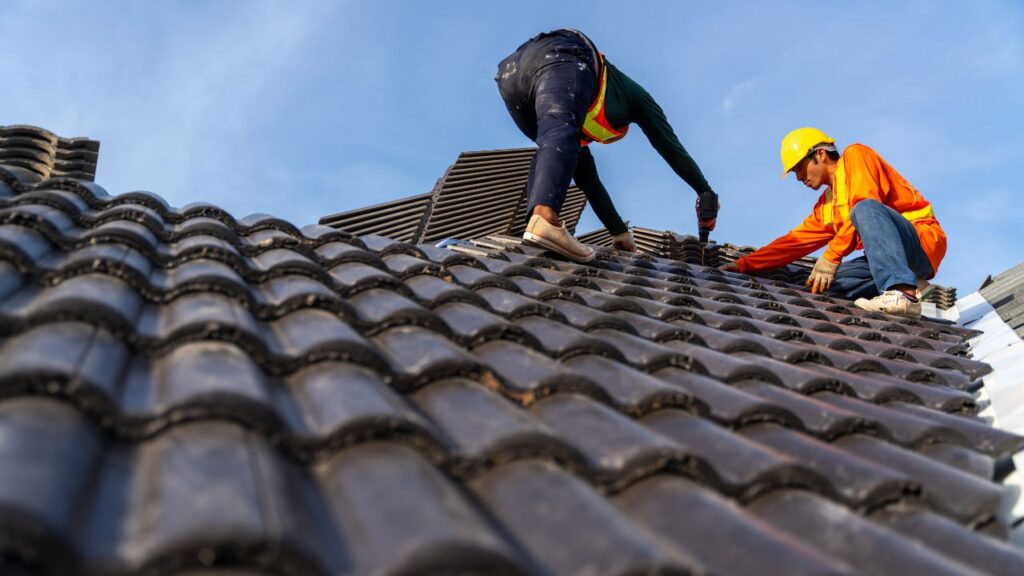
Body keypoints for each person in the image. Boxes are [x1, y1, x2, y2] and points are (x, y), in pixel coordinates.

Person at [495, 28, 719, 261]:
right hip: (563, 54)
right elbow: (670, 147)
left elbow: (589, 181)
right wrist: (704, 191)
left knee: (552, 148)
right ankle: (544, 217)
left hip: (511, 76)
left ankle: (535, 228)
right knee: (560, 135)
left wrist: (618, 231)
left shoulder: (573, 123)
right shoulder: (635, 97)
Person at [721, 127, 946, 318]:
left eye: (799, 168)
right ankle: (911, 284)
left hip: (921, 241)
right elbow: (793, 242)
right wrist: (744, 265)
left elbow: (865, 203)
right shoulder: (827, 206)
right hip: (887, 259)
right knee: (826, 286)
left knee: (864, 208)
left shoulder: (855, 156)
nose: (798, 177)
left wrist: (831, 256)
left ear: (819, 154)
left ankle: (904, 292)